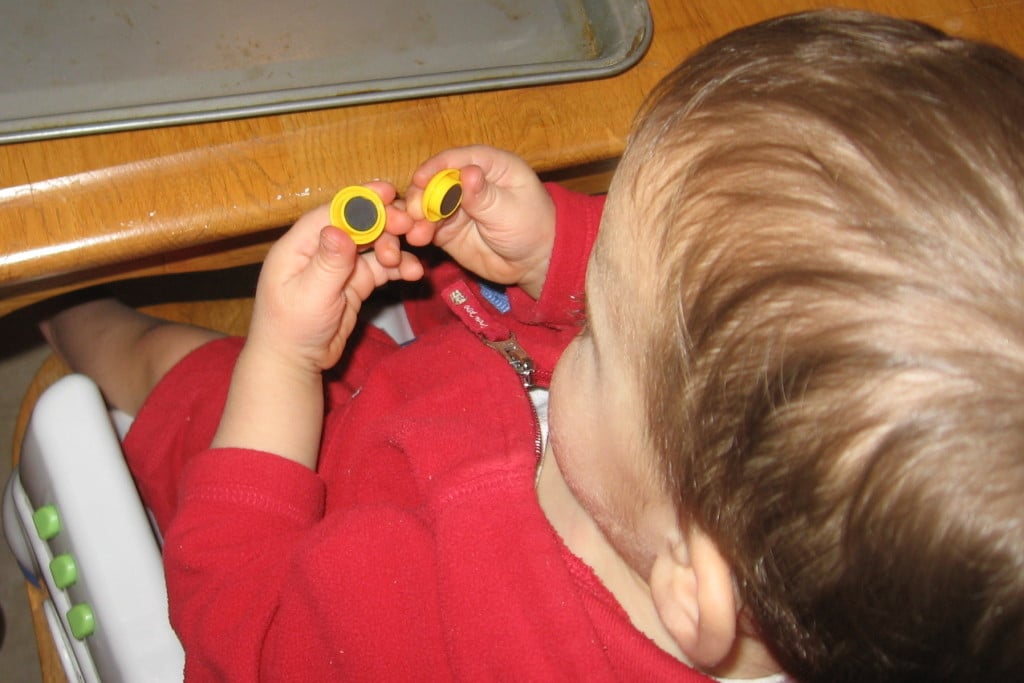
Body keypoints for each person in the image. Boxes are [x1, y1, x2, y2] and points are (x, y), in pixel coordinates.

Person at [39, 9, 1024, 682]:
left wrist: (280, 367)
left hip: (330, 482)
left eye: (598, 317)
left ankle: (70, 316)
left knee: (176, 364)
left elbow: (237, 623)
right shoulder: (736, 514)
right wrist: (556, 251)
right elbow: (697, 341)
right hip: (462, 392)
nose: (587, 307)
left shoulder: (428, 633)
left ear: (693, 580)